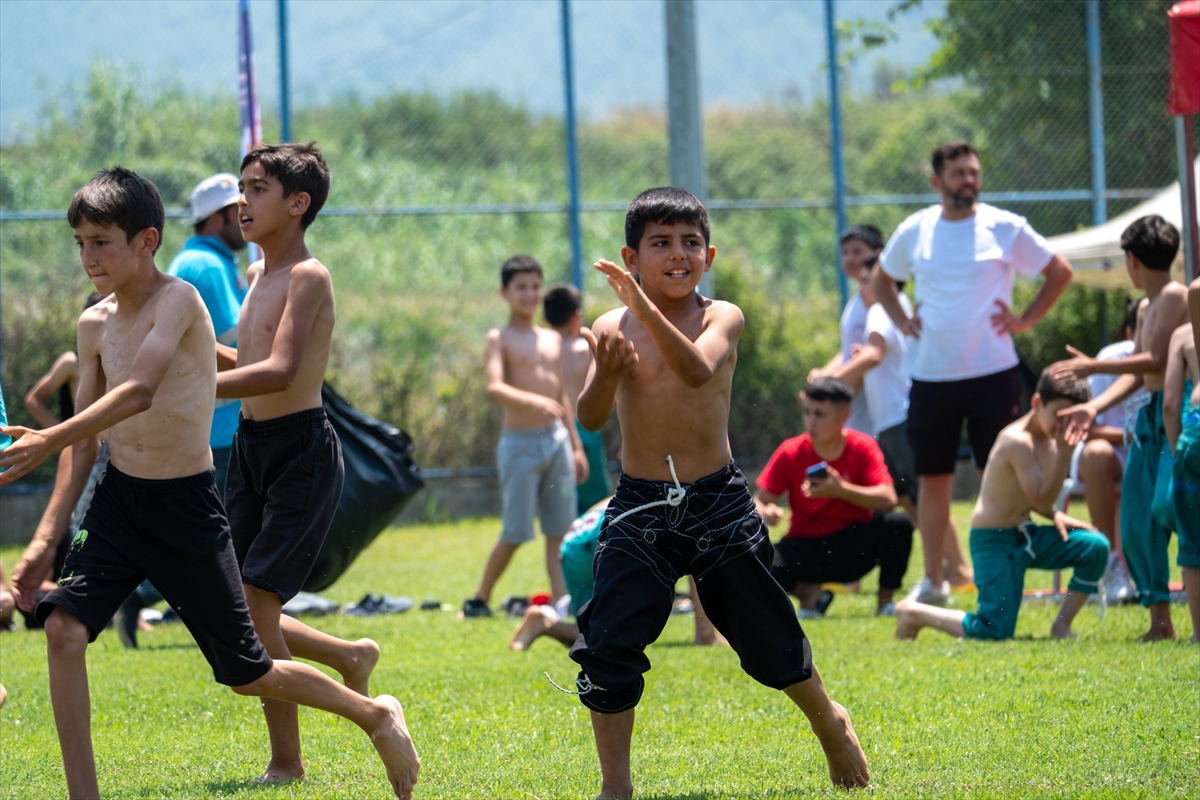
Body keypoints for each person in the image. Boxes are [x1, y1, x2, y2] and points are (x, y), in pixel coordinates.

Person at [0, 166, 418, 799]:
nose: (88, 257)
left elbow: (140, 391)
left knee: (247, 669)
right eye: (80, 243)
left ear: (146, 241)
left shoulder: (180, 300)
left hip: (186, 508)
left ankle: (374, 713)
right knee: (62, 628)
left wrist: (48, 435)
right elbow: (86, 441)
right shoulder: (93, 325)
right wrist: (43, 539)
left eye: (102, 242)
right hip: (117, 504)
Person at [569, 187, 869, 798]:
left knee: (766, 636)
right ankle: (615, 785)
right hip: (640, 505)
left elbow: (697, 369)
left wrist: (644, 310)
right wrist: (606, 370)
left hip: (719, 506)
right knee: (609, 642)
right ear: (632, 257)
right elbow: (593, 417)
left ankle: (829, 722)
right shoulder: (610, 324)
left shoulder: (721, 316)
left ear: (710, 255)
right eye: (660, 244)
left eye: (690, 243)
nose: (677, 254)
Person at [214, 143, 390, 783]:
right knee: (235, 600)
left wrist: (190, 384)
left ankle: (287, 762)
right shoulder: (257, 276)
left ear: (298, 204)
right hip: (251, 449)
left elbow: (282, 370)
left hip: (301, 452)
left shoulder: (309, 277)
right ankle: (351, 654)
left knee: (257, 603)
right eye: (242, 188)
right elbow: (248, 361)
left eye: (258, 189)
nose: (243, 201)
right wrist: (191, 349)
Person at [872, 140, 1074, 606]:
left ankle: (1000, 576)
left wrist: (1025, 320)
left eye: (974, 171)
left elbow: (1058, 271)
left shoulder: (1005, 226)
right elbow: (883, 280)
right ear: (936, 180)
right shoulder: (916, 229)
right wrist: (902, 322)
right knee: (933, 479)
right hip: (931, 376)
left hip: (993, 373)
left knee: (998, 472)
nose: (969, 180)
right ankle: (935, 584)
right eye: (959, 172)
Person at [895, 370, 1109, 642]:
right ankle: (914, 613)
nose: (1064, 424)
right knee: (993, 630)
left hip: (1025, 534)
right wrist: (1064, 456)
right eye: (1059, 414)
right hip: (993, 542)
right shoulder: (1017, 442)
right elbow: (1040, 497)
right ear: (1036, 403)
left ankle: (1061, 627)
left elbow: (1032, 499)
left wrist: (1055, 515)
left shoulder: (1049, 437)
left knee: (1095, 547)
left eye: (1072, 417)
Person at [1054, 215, 1189, 640]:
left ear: (1132, 259)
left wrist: (1094, 365)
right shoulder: (1149, 306)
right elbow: (1136, 375)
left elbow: (1155, 361)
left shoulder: (1174, 295)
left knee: (1176, 512)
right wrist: (1092, 407)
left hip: (1176, 417)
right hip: (1149, 417)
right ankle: (1159, 622)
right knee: (1135, 523)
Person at [826, 260, 972, 589]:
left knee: (925, 499)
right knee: (909, 499)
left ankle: (960, 572)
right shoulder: (896, 308)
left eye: (867, 281)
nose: (862, 288)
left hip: (898, 420)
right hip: (897, 420)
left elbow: (874, 356)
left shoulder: (879, 310)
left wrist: (825, 385)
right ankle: (947, 568)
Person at [461, 256, 587, 618]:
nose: (530, 293)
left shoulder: (551, 338)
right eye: (521, 287)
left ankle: (563, 603)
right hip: (519, 446)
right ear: (504, 293)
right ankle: (479, 597)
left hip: (557, 443)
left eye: (535, 285)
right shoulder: (499, 337)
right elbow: (494, 387)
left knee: (561, 531)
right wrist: (534, 401)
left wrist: (575, 445)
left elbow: (562, 396)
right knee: (516, 531)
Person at [755, 378, 913, 617]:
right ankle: (809, 594)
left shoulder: (863, 446)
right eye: (807, 412)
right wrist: (765, 511)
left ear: (844, 416)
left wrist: (841, 490)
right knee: (753, 554)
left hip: (852, 547)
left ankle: (885, 604)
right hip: (804, 547)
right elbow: (758, 500)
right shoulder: (791, 451)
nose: (811, 421)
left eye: (819, 414)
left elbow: (888, 499)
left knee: (899, 525)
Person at [509, 497, 726, 651]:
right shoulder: (686, 480)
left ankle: (544, 622)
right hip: (606, 535)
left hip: (575, 544)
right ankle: (705, 634)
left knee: (595, 632)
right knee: (698, 540)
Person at [1055, 298, 1148, 602]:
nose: (1155, 331)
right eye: (1146, 323)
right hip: (1116, 453)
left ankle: (1157, 575)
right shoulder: (1111, 359)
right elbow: (1086, 426)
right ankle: (1109, 562)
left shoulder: (1177, 355)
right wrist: (1129, 437)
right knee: (1096, 453)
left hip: (1153, 453)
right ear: (1130, 332)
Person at [168, 172, 249, 498]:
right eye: (237, 209)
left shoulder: (204, 260)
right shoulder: (207, 265)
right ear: (216, 220)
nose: (246, 214)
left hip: (209, 431)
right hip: (219, 435)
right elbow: (231, 339)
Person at [544, 283, 609, 514]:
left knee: (564, 497)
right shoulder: (585, 348)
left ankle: (564, 544)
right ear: (577, 316)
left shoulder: (544, 350)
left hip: (553, 430)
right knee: (594, 501)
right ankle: (589, 545)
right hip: (585, 428)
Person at [807, 225, 878, 435]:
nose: (850, 258)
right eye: (845, 253)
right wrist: (825, 373)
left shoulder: (876, 302)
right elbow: (849, 349)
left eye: (858, 252)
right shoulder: (859, 298)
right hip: (851, 406)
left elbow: (871, 355)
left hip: (869, 408)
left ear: (878, 254)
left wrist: (829, 390)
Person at [1164, 317, 1199, 642]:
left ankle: (1199, 632)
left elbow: (1170, 404)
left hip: (1195, 431)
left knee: (1192, 535)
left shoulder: (1184, 334)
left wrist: (1179, 454)